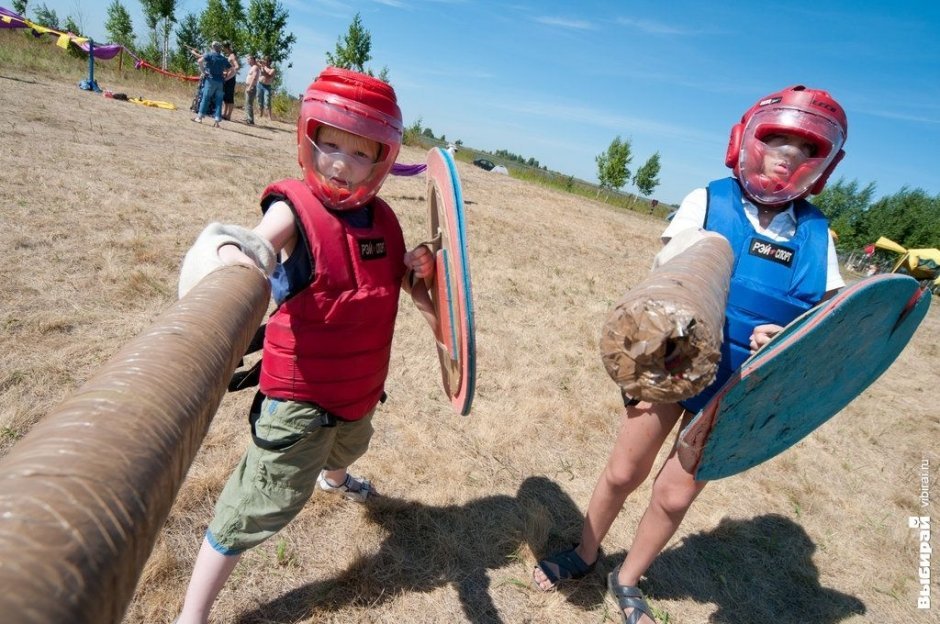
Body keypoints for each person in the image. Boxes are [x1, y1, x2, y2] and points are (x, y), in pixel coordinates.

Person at [532, 85, 849, 624]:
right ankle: (586, 553)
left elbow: (825, 327)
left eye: (804, 149)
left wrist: (788, 336)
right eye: (777, 139)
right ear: (749, 140)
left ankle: (627, 577)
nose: (787, 155)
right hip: (670, 363)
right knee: (623, 470)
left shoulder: (819, 237)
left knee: (675, 497)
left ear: (822, 164)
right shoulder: (710, 200)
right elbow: (671, 277)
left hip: (738, 386)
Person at [175, 67, 435, 624]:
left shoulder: (384, 221)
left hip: (359, 389)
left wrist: (420, 273)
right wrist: (232, 258)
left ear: (383, 159)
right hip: (300, 401)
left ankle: (335, 479)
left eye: (359, 153)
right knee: (253, 505)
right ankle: (191, 615)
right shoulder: (291, 210)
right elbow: (253, 245)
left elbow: (406, 292)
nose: (340, 162)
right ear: (308, 138)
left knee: (350, 447)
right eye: (330, 144)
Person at [192, 42, 232, 128]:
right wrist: (226, 78)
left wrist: (203, 72)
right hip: (220, 82)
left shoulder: (209, 55)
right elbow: (233, 70)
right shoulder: (223, 58)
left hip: (210, 80)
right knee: (219, 101)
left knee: (205, 98)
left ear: (213, 47)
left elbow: (199, 61)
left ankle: (199, 118)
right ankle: (217, 121)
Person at [221, 42, 240, 121]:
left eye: (224, 48)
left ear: (227, 48)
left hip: (230, 79)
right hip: (227, 78)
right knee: (225, 97)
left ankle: (228, 115)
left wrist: (231, 73)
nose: (223, 50)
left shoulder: (232, 56)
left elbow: (237, 66)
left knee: (230, 97)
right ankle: (224, 113)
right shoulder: (229, 56)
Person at [257, 56, 276, 120]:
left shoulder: (272, 70)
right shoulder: (263, 66)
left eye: (268, 61)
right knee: (260, 100)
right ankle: (260, 114)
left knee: (267, 101)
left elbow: (268, 76)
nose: (266, 62)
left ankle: (270, 116)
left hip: (267, 87)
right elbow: (256, 62)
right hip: (260, 85)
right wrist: (260, 62)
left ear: (270, 62)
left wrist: (262, 68)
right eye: (266, 60)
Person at [243, 54, 259, 125]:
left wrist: (250, 87)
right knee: (247, 103)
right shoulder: (252, 67)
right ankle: (247, 118)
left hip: (251, 87)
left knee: (249, 104)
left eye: (249, 59)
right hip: (248, 86)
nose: (248, 61)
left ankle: (250, 120)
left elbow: (254, 77)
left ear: (252, 60)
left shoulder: (255, 67)